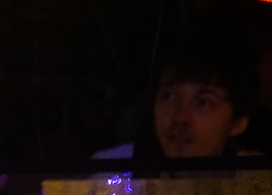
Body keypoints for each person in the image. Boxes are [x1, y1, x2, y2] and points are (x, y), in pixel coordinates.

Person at [96, 32, 259, 160]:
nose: (180, 118)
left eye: (203, 103)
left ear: (238, 123)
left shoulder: (259, 179)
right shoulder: (110, 171)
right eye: (169, 96)